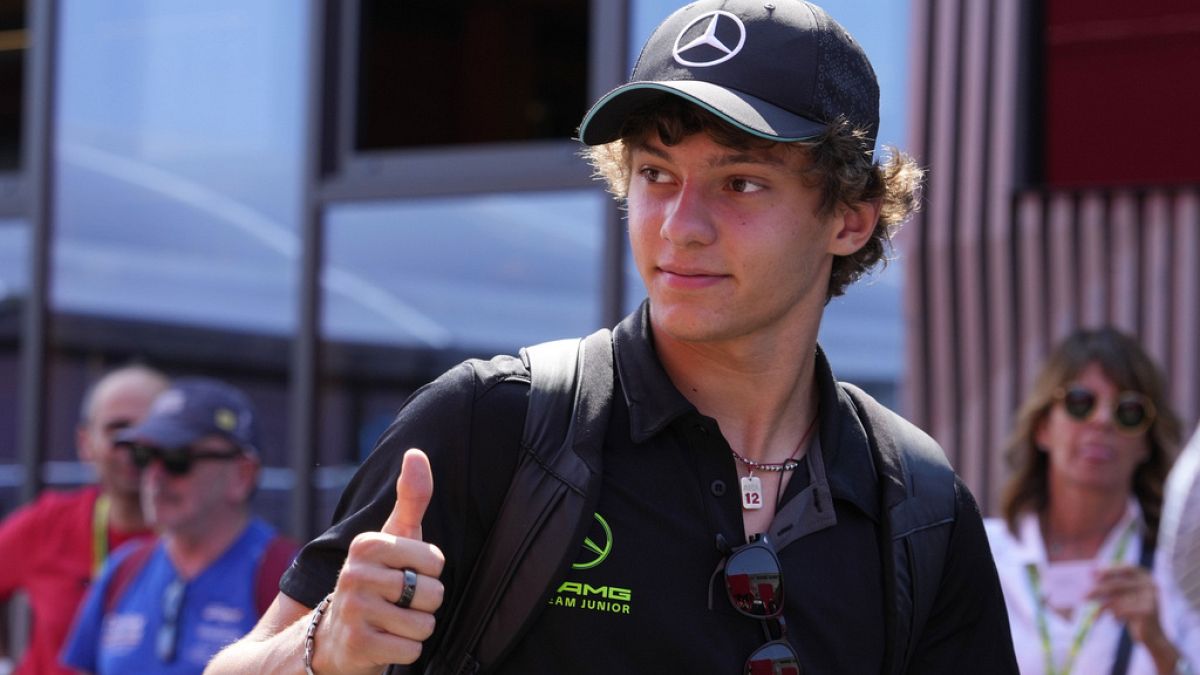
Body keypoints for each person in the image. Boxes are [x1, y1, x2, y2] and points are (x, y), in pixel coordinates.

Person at [208, 1, 1018, 673]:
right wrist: (320, 649)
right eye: (656, 174)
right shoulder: (494, 425)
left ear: (849, 218)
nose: (679, 226)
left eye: (740, 182)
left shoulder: (917, 498)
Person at [985, 328, 1200, 674]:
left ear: (1147, 442)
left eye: (1128, 411)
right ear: (1043, 427)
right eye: (1080, 402)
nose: (1101, 421)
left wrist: (1161, 649)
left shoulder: (1180, 570)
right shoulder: (980, 553)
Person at [61, 377, 296, 674]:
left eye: (177, 459)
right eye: (145, 456)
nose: (154, 476)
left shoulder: (288, 578)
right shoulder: (122, 569)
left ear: (242, 474)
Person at [0, 364, 169, 675]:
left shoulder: (196, 536)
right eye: (118, 430)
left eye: (152, 430)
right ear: (85, 443)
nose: (134, 447)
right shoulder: (49, 523)